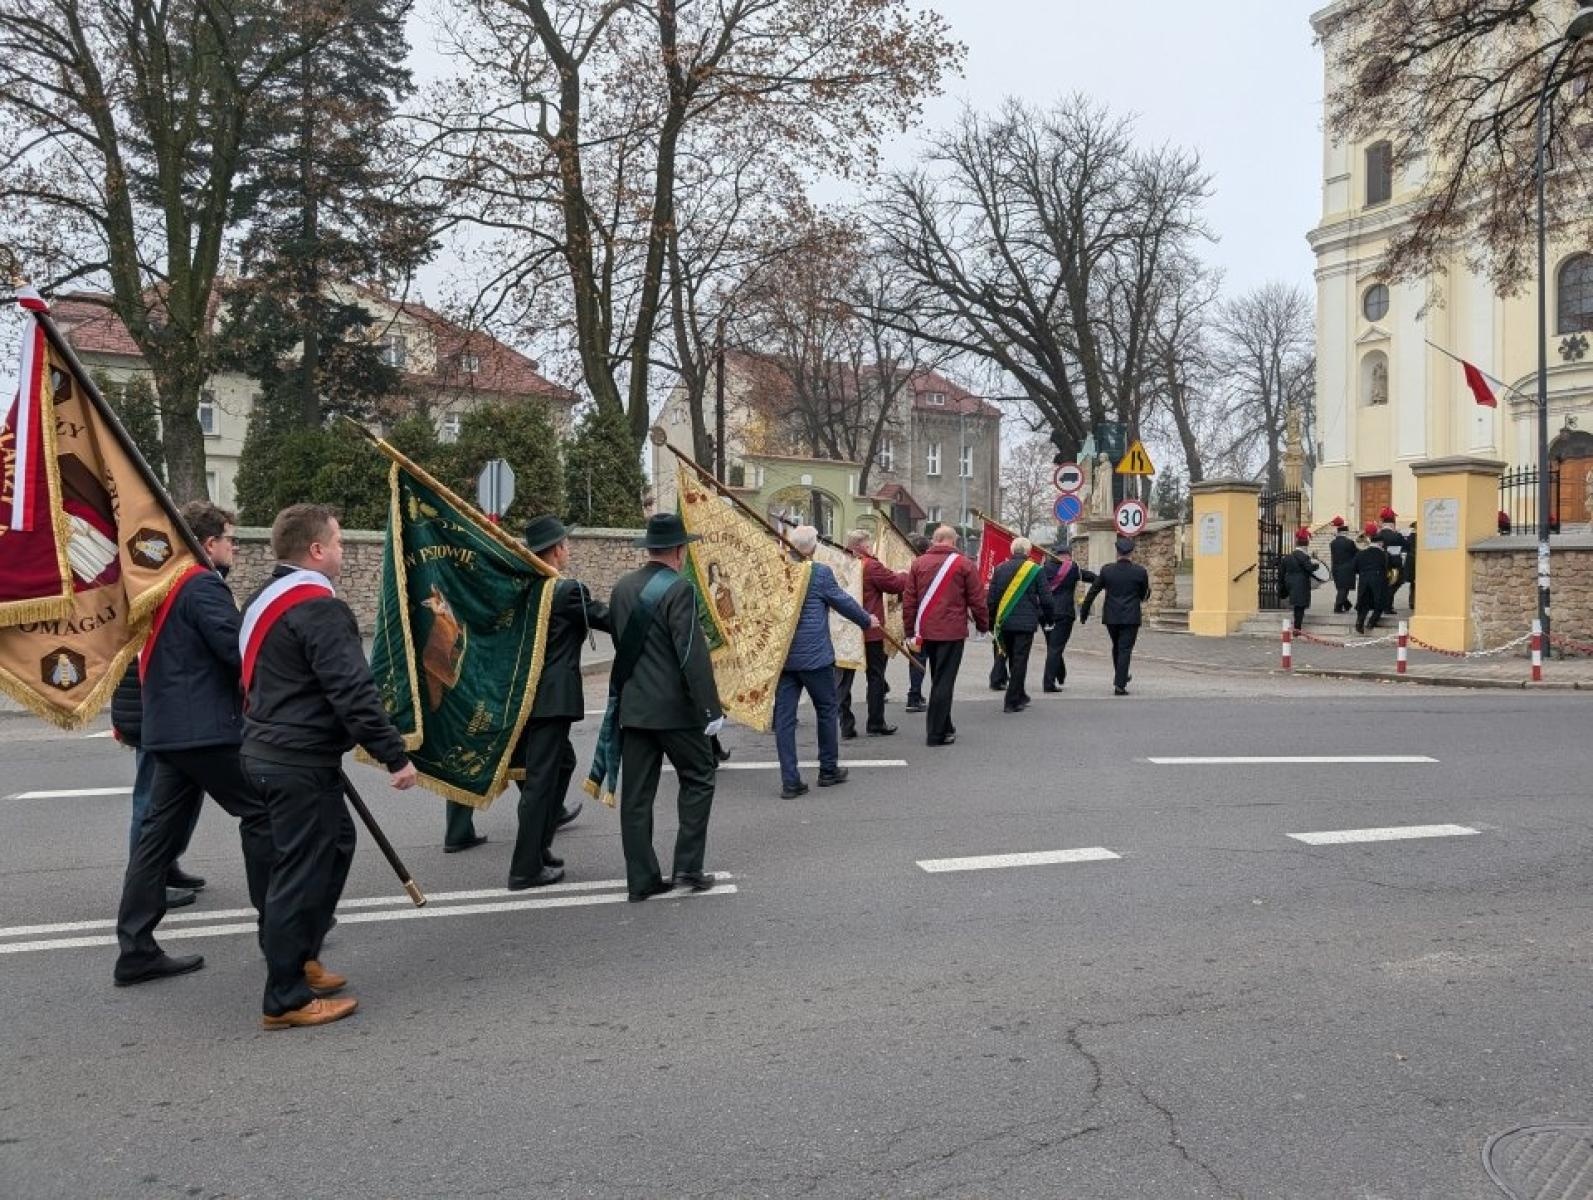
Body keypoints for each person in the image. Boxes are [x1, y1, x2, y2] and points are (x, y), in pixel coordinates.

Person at [240, 504, 418, 1030]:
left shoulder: (261, 598)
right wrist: (394, 753)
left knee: (334, 845)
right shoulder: (318, 606)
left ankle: (301, 957)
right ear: (316, 550)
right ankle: (286, 998)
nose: (343, 550)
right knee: (300, 873)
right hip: (294, 761)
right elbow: (351, 690)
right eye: (338, 542)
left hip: (270, 750)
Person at [113, 502, 275, 987]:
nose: (233, 548)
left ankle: (136, 948)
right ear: (208, 544)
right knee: (263, 814)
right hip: (205, 730)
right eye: (229, 539)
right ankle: (282, 931)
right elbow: (235, 652)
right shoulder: (203, 583)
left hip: (169, 729)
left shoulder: (165, 581)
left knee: (155, 839)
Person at [608, 513, 723, 902]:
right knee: (699, 777)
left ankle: (641, 880)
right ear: (679, 550)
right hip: (675, 711)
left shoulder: (622, 587)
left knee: (636, 797)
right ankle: (688, 867)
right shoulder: (680, 589)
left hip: (634, 708)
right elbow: (691, 653)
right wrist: (711, 709)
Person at [504, 516, 612, 890]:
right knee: (540, 781)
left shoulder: (524, 588)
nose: (568, 549)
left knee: (562, 763)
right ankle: (525, 869)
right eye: (565, 543)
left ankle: (539, 848)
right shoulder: (565, 590)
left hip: (526, 695)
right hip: (551, 699)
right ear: (556, 550)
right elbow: (607, 619)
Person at [775, 526, 877, 798]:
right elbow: (842, 601)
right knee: (826, 710)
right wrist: (867, 620)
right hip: (815, 657)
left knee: (784, 719)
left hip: (785, 658)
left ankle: (790, 781)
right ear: (813, 547)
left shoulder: (778, 572)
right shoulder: (819, 573)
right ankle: (828, 770)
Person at [111, 663, 199, 910]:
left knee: (182, 794)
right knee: (152, 799)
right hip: (156, 708)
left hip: (158, 704)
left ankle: (164, 866)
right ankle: (145, 883)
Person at [902, 525, 990, 746]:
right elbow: (977, 600)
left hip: (925, 631)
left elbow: (909, 601)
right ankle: (936, 733)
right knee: (944, 682)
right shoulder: (964, 564)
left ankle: (946, 725)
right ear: (953, 541)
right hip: (951, 632)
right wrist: (983, 625)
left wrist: (909, 632)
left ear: (935, 540)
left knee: (938, 678)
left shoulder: (918, 563)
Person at [835, 529, 905, 738]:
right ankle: (875, 723)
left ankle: (846, 725)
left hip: (846, 630)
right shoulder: (870, 565)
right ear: (863, 546)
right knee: (875, 676)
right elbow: (894, 584)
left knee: (843, 680)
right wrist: (905, 573)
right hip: (870, 630)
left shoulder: (839, 563)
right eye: (868, 544)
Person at [986, 537, 1053, 713]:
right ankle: (1011, 700)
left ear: (1012, 550)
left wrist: (990, 622)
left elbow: (991, 599)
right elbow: (1046, 599)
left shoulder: (999, 569)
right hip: (1025, 623)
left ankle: (1020, 693)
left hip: (1004, 621)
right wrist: (1049, 619)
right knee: (1020, 660)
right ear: (1029, 552)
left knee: (1010, 658)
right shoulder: (1036, 570)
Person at [1080, 536, 1151, 696]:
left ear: (1117, 552)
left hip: (1111, 616)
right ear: (1131, 552)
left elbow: (1093, 591)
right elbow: (1144, 594)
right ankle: (1120, 684)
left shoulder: (1107, 570)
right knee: (1125, 648)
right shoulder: (1140, 571)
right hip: (1131, 616)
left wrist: (1084, 611)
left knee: (1117, 646)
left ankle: (1122, 675)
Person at [1039, 543, 1095, 692]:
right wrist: (1105, 579)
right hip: (1063, 613)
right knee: (1056, 648)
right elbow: (1089, 577)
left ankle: (1060, 672)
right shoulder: (1072, 568)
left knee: (1053, 646)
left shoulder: (1043, 569)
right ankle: (1048, 683)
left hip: (1045, 614)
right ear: (1067, 555)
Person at [903, 534, 931, 712]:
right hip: (925, 619)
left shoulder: (908, 565)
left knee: (916, 658)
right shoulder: (925, 567)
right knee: (920, 658)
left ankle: (914, 694)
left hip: (913, 619)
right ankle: (914, 696)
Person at [1278, 527, 1317, 633]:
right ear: (1306, 544)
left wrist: (1282, 585)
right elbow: (1309, 569)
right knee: (1300, 606)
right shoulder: (1304, 557)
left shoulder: (1288, 557)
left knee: (1297, 605)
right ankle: (1297, 628)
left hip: (1290, 582)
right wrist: (1316, 566)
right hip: (1301, 583)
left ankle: (1297, 626)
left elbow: (1281, 572)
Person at [1353, 524, 1390, 634]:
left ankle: (1359, 622)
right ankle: (1371, 622)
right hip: (1378, 579)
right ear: (1380, 543)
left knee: (1364, 602)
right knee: (1380, 602)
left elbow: (1354, 567)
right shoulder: (1383, 554)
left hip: (1364, 579)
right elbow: (1386, 566)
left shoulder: (1361, 553)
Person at [1376, 507, 1407, 610]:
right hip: (1395, 565)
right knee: (1395, 583)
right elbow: (1406, 546)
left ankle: (1384, 604)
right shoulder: (1396, 535)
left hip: (1380, 565)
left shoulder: (1377, 535)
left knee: (1383, 585)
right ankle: (1387, 605)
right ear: (1393, 521)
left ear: (1383, 521)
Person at [1328, 518, 1358, 614]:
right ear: (1346, 532)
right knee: (1344, 589)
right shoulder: (1349, 542)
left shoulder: (1333, 543)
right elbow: (1356, 553)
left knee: (1341, 588)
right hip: (1347, 568)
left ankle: (1346, 605)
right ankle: (1338, 607)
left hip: (1336, 568)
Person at [1404, 521, 1418, 612]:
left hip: (1411, 561)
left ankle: (1412, 602)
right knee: (1414, 583)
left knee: (1413, 584)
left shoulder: (1410, 537)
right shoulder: (1415, 536)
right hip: (1415, 561)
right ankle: (1413, 601)